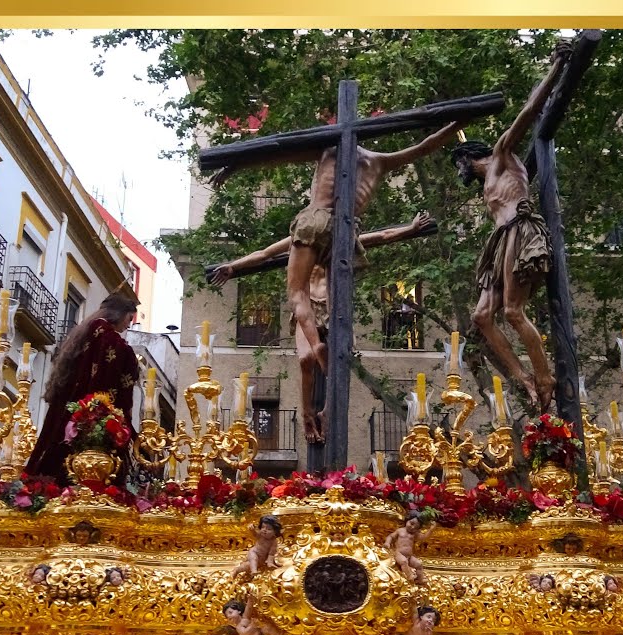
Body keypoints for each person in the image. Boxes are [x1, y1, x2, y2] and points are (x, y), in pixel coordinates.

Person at [210, 119, 467, 442]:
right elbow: (425, 145)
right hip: (345, 232)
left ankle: (326, 397)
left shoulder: (329, 148)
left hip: (319, 229)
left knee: (303, 303)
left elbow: (277, 152)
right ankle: (310, 409)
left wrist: (233, 163)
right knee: (311, 358)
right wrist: (460, 121)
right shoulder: (379, 161)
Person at [209, 212, 436, 443]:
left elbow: (383, 236)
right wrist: (233, 267)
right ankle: (307, 413)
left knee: (340, 362)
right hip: (306, 308)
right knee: (305, 359)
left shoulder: (342, 240)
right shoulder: (299, 241)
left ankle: (327, 410)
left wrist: (412, 228)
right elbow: (264, 254)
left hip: (332, 307)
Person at [451, 39, 574, 412]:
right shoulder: (487, 183)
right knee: (480, 316)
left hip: (520, 232)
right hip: (499, 241)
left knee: (513, 312)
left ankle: (545, 375)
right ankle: (523, 377)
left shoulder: (503, 154)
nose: (458, 171)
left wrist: (555, 69)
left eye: (457, 163)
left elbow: (527, 112)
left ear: (468, 156)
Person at [26, 293, 141, 484]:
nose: (128, 325)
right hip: (90, 420)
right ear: (119, 314)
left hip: (67, 415)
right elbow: (111, 377)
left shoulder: (87, 333)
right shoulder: (108, 338)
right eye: (129, 319)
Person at [385, 512, 433, 585]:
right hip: (399, 554)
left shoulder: (414, 534)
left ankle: (420, 579)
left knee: (419, 564)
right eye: (411, 523)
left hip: (409, 556)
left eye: (416, 527)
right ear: (407, 520)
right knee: (404, 561)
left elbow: (423, 537)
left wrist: (431, 530)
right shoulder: (400, 531)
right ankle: (409, 575)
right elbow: (391, 536)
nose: (412, 527)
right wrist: (387, 543)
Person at [231, 515, 282, 581]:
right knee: (254, 559)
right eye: (263, 527)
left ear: (275, 532)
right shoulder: (261, 535)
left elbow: (271, 554)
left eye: (269, 529)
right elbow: (254, 534)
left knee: (247, 566)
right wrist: (252, 529)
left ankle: (236, 570)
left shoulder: (273, 542)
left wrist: (270, 562)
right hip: (254, 552)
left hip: (261, 559)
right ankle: (254, 571)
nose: (265, 530)